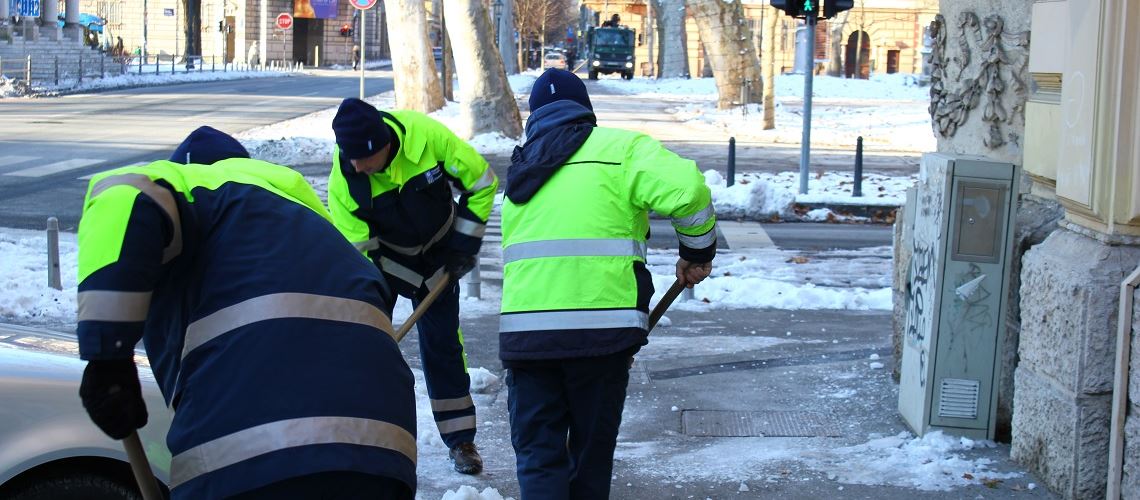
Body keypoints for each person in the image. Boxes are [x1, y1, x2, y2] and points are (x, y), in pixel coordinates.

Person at [76, 126, 417, 499]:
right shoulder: (313, 220)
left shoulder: (187, 186)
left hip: (247, 453)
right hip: (382, 452)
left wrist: (107, 358)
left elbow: (124, 198)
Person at [500, 69, 717, 499]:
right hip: (601, 334)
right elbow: (689, 191)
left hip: (527, 338)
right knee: (590, 455)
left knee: (538, 455)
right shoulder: (622, 149)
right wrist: (697, 253)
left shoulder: (521, 171)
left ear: (534, 117)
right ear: (586, 111)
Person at [327, 98, 497, 475]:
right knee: (363, 344)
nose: (354, 166)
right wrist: (369, 304)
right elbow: (355, 256)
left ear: (382, 145)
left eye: (361, 158)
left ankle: (461, 440)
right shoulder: (347, 181)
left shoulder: (427, 139)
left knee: (443, 347)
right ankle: (360, 436)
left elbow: (482, 182)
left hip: (440, 255)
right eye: (348, 156)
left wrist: (463, 246)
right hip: (385, 262)